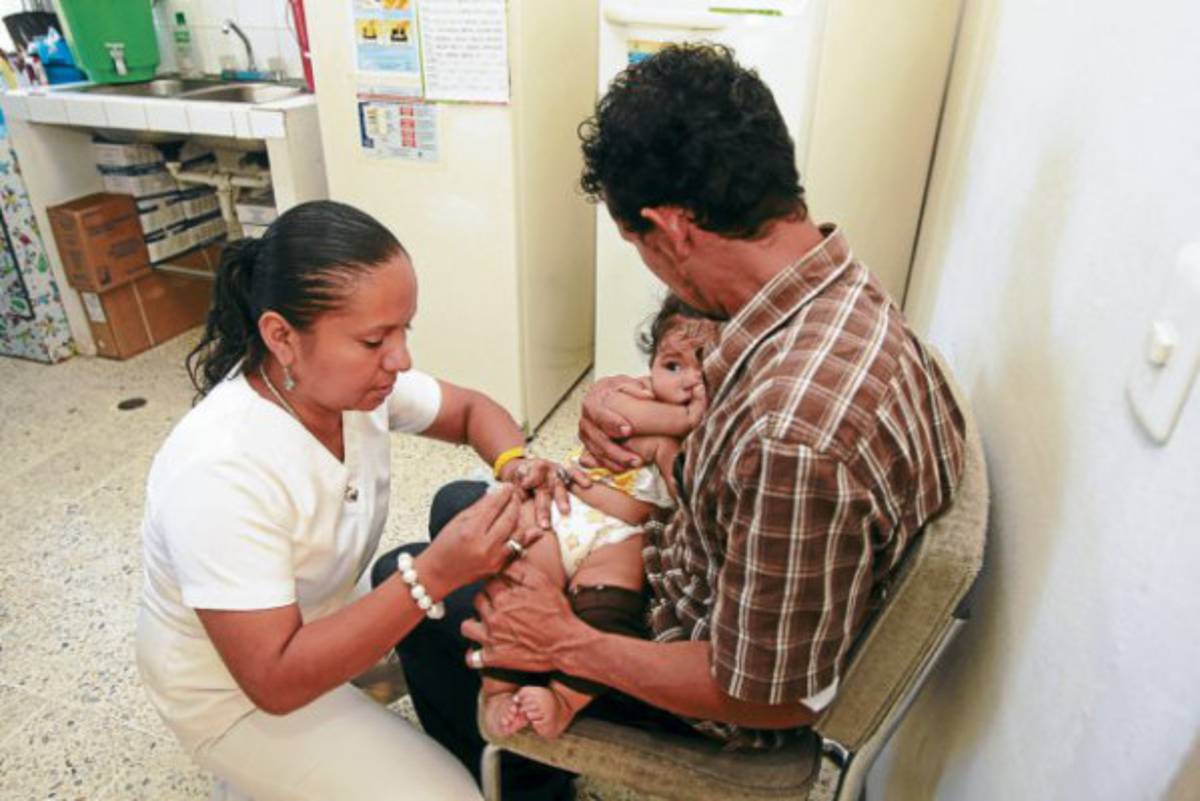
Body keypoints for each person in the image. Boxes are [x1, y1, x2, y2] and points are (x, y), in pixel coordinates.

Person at [415, 42, 966, 797]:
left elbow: (763, 695)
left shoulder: (795, 438)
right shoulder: (836, 298)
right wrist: (653, 432)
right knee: (465, 507)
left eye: (637, 243)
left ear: (671, 228)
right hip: (697, 575)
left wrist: (566, 642)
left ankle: (531, 783)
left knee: (414, 586)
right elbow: (746, 487)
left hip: (701, 685)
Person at [135, 200, 567, 800]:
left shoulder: (353, 389)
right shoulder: (218, 470)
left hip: (317, 609)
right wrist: (436, 574)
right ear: (281, 336)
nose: (401, 359)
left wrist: (512, 464)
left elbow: (471, 411)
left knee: (432, 599)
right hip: (239, 690)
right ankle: (249, 770)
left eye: (404, 330)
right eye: (374, 339)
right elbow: (274, 680)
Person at [482, 296, 720, 740]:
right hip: (563, 515)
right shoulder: (635, 393)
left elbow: (663, 501)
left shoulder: (711, 436)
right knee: (517, 588)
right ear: (651, 366)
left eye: (704, 366)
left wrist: (669, 443)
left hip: (622, 538)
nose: (688, 379)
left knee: (610, 609)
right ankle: (498, 688)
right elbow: (619, 411)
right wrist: (677, 420)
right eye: (672, 364)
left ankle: (562, 701)